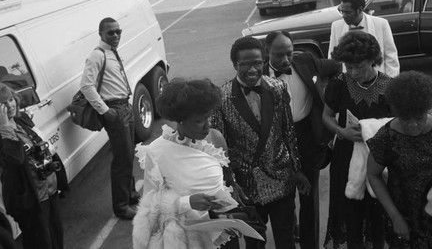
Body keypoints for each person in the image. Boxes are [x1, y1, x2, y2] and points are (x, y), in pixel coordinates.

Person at [212, 36, 310, 249]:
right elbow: (219, 148)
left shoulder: (277, 88)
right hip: (247, 186)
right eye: (244, 64)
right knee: (255, 241)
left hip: (281, 178)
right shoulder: (221, 97)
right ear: (234, 64)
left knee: (286, 237)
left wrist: (296, 169)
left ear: (264, 61)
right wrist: (231, 183)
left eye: (257, 62)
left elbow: (288, 132)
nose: (252, 69)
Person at [366, 71, 432, 248]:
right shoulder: (385, 139)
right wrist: (395, 216)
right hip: (410, 222)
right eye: (405, 119)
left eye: (419, 118)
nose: (413, 125)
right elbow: (373, 175)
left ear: (427, 108)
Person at [133, 78, 239, 248]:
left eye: (208, 117)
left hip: (223, 231)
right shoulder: (157, 152)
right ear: (180, 119)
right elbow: (148, 209)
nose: (207, 125)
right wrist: (187, 202)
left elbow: (226, 181)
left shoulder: (216, 138)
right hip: (188, 239)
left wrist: (234, 212)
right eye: (199, 121)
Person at [264, 31, 341, 249]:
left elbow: (336, 67)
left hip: (307, 136)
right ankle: (289, 235)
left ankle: (310, 244)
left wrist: (332, 97)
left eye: (288, 53)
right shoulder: (258, 74)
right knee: (284, 198)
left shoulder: (306, 60)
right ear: (266, 51)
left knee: (309, 196)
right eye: (278, 55)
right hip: (276, 142)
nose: (285, 59)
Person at [322, 31, 392, 249]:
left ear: (373, 59)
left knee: (377, 213)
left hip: (378, 159)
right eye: (348, 67)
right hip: (345, 157)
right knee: (349, 210)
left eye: (359, 66)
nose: (353, 72)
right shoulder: (339, 84)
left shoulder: (390, 87)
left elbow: (397, 124)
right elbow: (326, 116)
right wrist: (341, 132)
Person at [79, 17, 139, 220]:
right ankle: (121, 207)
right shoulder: (97, 55)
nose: (115, 35)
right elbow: (86, 86)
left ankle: (130, 196)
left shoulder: (112, 52)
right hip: (114, 110)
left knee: (129, 155)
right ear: (100, 34)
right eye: (110, 33)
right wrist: (106, 111)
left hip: (125, 107)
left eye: (118, 31)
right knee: (122, 160)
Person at [0, 82, 67, 249]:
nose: (10, 106)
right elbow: (15, 159)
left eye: (10, 100)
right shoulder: (3, 132)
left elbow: (43, 144)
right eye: (3, 104)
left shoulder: (21, 119)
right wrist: (5, 128)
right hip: (30, 200)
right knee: (41, 242)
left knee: (57, 233)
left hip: (48, 189)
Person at [327, 0, 400, 78]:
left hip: (376, 79)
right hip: (349, 81)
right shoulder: (336, 26)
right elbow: (332, 59)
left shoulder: (381, 24)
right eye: (342, 11)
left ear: (360, 10)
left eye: (348, 12)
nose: (344, 15)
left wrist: (390, 82)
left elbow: (390, 56)